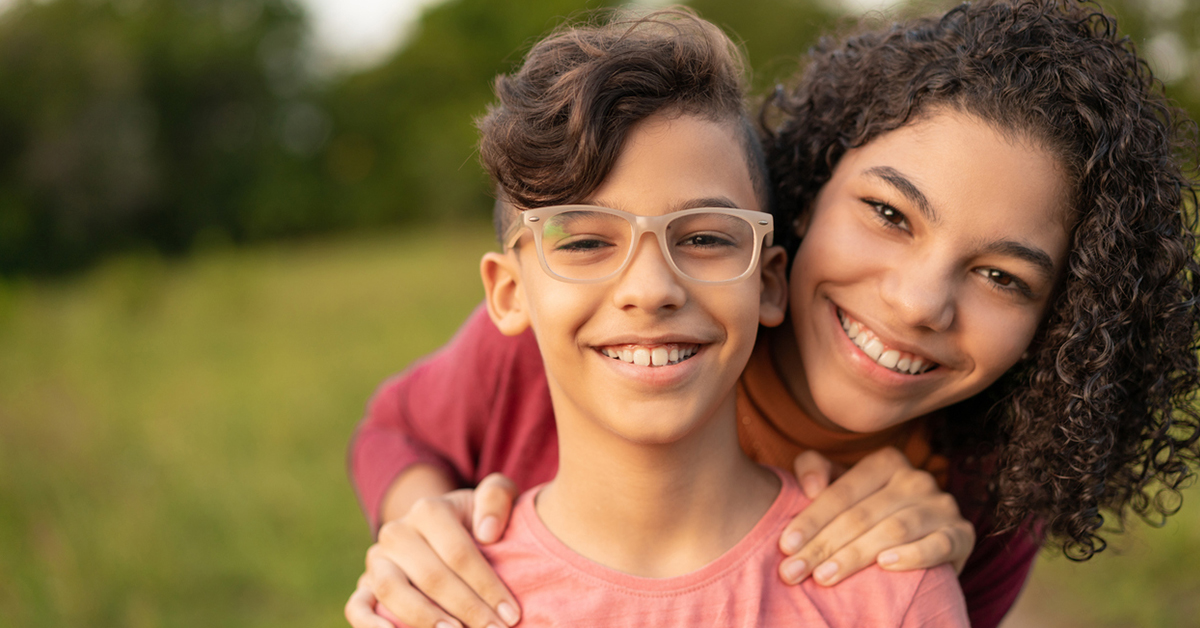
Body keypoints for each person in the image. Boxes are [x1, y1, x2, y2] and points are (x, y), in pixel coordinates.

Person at [345, 2, 1200, 628]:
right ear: (809, 198)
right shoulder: (585, 335)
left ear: (1060, 330)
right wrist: (425, 525)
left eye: (1002, 278)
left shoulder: (979, 504)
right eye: (890, 215)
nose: (916, 303)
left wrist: (935, 567)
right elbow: (394, 430)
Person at [367, 10, 969, 626]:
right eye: (582, 243)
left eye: (706, 238)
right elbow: (391, 431)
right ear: (508, 292)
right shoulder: (435, 597)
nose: (651, 290)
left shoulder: (891, 591)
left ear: (768, 283)